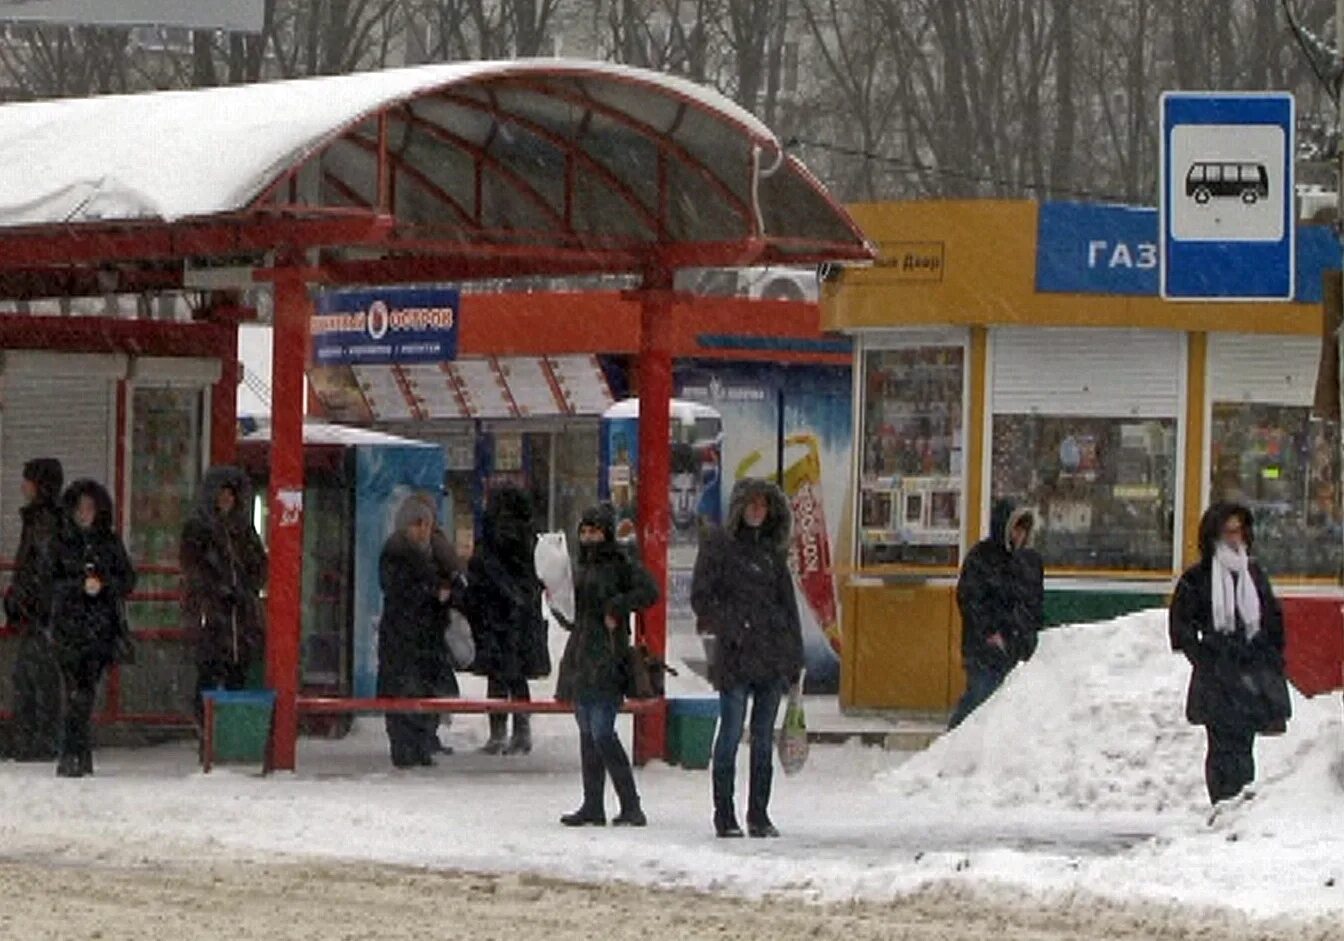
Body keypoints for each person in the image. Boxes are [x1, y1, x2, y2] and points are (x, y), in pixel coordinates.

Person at [691, 478, 803, 839]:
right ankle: (725, 815)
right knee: (730, 735)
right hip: (736, 656)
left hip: (769, 657)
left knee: (762, 741)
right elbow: (702, 598)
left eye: (763, 505)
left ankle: (759, 814)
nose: (758, 511)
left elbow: (787, 609)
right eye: (752, 504)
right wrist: (732, 626)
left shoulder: (772, 553)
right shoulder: (720, 548)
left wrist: (794, 657)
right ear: (740, 508)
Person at [1170, 502, 1290, 806]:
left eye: (1239, 531)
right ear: (1213, 535)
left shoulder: (1253, 574)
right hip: (1217, 677)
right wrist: (1205, 657)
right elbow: (1181, 626)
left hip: (1249, 675)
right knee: (1221, 746)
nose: (1235, 538)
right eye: (1228, 532)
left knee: (1244, 747)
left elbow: (1272, 621)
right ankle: (1222, 803)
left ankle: (1240, 806)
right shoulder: (1198, 578)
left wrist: (1265, 656)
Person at [554, 503, 658, 827]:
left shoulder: (620, 563)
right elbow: (574, 617)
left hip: (609, 656)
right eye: (584, 532)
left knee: (602, 732)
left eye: (595, 531)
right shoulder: (579, 567)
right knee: (588, 732)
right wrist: (558, 605)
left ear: (606, 533)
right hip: (582, 655)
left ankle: (630, 804)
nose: (589, 538)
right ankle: (593, 804)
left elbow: (649, 591)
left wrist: (617, 606)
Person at [49, 479, 135, 778]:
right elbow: (49, 581)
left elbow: (128, 579)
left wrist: (104, 584)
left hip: (98, 628)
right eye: (80, 508)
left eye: (89, 508)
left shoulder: (108, 542)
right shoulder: (61, 541)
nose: (84, 514)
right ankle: (73, 752)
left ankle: (75, 751)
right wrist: (78, 587)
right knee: (76, 691)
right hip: (69, 627)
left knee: (83, 691)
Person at [463, 485, 548, 755]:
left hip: (496, 617)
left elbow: (483, 571)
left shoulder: (493, 538)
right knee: (516, 677)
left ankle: (499, 734)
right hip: (519, 619)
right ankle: (520, 732)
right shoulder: (528, 538)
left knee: (498, 678)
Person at [180, 466, 268, 725]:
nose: (225, 501)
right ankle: (206, 727)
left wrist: (245, 588)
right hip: (213, 616)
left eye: (230, 496)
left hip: (238, 618)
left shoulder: (244, 531)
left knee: (236, 673)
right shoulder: (199, 529)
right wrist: (216, 590)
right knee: (208, 672)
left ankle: (227, 728)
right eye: (221, 495)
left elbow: (260, 565)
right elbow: (192, 566)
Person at [948, 499, 1043, 730]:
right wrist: (990, 632)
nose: (1019, 535)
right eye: (1016, 528)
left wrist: (1030, 636)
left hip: (1018, 649)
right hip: (986, 651)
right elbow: (970, 599)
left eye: (1024, 529)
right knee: (980, 701)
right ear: (1005, 527)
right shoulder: (982, 557)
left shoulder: (1030, 562)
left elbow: (1034, 603)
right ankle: (948, 748)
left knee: (1006, 714)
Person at [378, 497, 452, 769]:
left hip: (421, 636)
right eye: (417, 524)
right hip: (405, 635)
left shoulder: (431, 552)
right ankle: (406, 747)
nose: (422, 530)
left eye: (426, 524)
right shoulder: (398, 551)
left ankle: (419, 745)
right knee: (405, 690)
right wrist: (433, 593)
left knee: (419, 689)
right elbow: (397, 590)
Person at [5, 458, 65, 761]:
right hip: (41, 614)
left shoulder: (42, 522)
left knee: (32, 677)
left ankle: (35, 740)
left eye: (27, 480)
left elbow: (39, 569)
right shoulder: (44, 519)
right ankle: (34, 739)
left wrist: (23, 599)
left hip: (40, 615)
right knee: (33, 677)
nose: (23, 486)